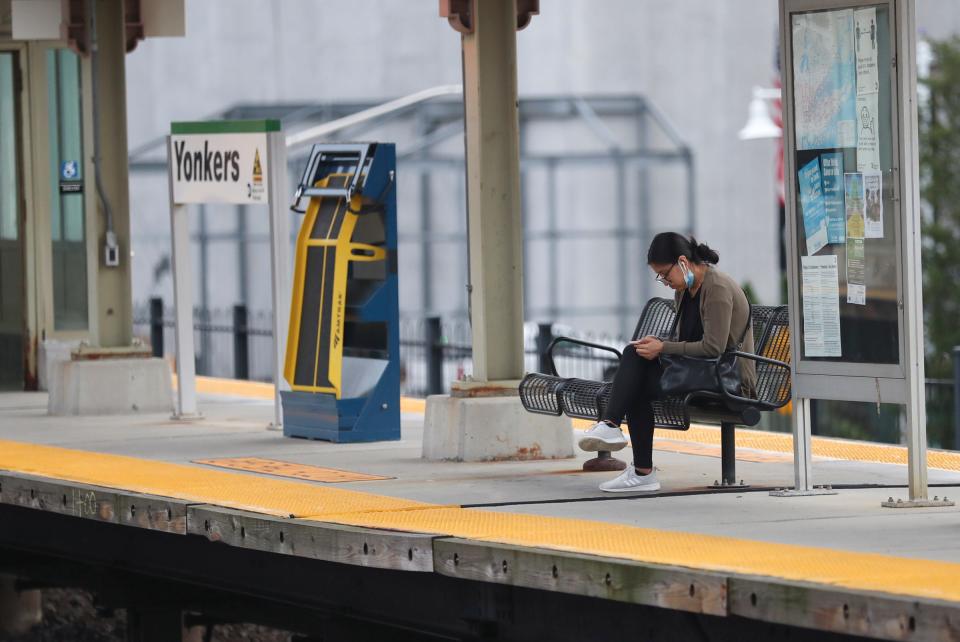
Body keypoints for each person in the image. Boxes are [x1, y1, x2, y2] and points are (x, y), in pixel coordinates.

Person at [577, 232, 756, 493]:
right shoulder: (685, 290)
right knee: (634, 355)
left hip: (728, 378)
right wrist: (659, 343)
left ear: (683, 262)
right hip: (703, 370)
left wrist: (664, 347)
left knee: (635, 381)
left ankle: (628, 452)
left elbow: (713, 347)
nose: (664, 281)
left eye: (664, 273)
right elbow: (687, 340)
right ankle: (621, 441)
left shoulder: (716, 288)